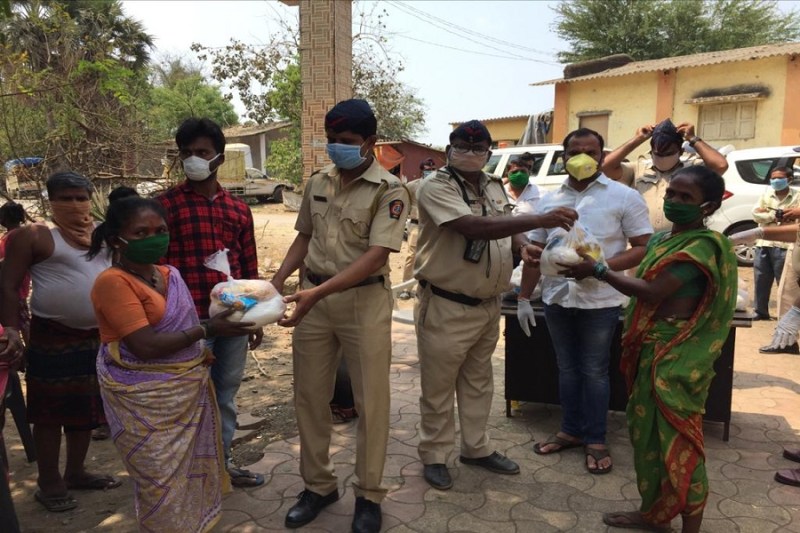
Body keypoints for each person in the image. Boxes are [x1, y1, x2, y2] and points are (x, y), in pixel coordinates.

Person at [414, 120, 578, 491]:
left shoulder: (492, 184)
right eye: (462, 146)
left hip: (488, 303)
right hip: (446, 304)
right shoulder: (436, 185)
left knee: (478, 382)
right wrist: (541, 219)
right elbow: (472, 227)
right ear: (449, 149)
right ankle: (435, 455)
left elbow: (505, 224)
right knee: (438, 388)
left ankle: (476, 448)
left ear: (489, 152)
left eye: (478, 148)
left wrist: (525, 245)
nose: (470, 153)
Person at [270, 99, 410, 533]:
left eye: (346, 141)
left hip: (362, 302)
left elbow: (376, 256)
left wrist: (315, 293)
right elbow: (304, 237)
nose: (336, 147)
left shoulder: (390, 190)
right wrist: (277, 281)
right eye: (331, 139)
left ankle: (369, 494)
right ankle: (318, 486)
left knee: (371, 402)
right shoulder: (318, 182)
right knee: (310, 397)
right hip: (313, 301)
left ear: (369, 142)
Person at [581, 166, 737, 533]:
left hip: (676, 355)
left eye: (686, 197)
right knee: (646, 435)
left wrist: (598, 271)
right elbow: (638, 274)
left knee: (679, 442)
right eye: (671, 194)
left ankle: (690, 527)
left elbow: (652, 293)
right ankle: (654, 513)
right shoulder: (662, 240)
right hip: (649, 347)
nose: (674, 201)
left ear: (709, 206)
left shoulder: (701, 247)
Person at [88, 194, 255, 531]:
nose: (154, 239)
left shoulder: (170, 274)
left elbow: (183, 325)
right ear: (115, 240)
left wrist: (209, 338)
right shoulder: (112, 283)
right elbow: (146, 346)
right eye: (140, 233)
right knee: (159, 480)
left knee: (192, 472)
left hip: (186, 392)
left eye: (160, 231)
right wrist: (209, 330)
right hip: (143, 400)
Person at [517, 128, 652, 475]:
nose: (582, 157)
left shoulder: (624, 196)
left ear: (602, 156)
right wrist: (523, 296)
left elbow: (642, 246)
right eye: (574, 151)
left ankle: (595, 438)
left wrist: (600, 268)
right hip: (557, 297)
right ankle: (570, 430)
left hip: (600, 300)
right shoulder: (548, 200)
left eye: (590, 152)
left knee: (594, 371)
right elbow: (535, 250)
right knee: (566, 368)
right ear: (563, 157)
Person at [0, 172, 121, 513]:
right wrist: (11, 329)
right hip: (52, 335)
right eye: (65, 198)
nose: (74, 204)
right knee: (50, 412)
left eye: (81, 197)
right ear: (50, 200)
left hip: (96, 335)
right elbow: (7, 285)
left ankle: (76, 472)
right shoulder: (35, 236)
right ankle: (49, 481)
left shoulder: (104, 233)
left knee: (85, 408)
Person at [157, 117, 265, 488]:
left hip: (233, 319)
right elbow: (156, 270)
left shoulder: (238, 209)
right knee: (185, 396)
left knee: (225, 394)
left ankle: (222, 463)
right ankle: (186, 473)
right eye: (186, 153)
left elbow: (248, 267)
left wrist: (255, 317)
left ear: (219, 157)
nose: (193, 159)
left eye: (202, 152)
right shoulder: (164, 207)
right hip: (185, 325)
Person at [602, 119, 729, 233]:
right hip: (642, 242)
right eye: (658, 154)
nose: (663, 158)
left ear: (680, 151)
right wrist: (638, 138)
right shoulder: (638, 168)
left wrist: (692, 138)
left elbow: (720, 165)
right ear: (651, 152)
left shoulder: (692, 170)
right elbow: (605, 167)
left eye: (669, 153)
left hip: (681, 240)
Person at [750, 167, 800, 320]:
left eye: (779, 178)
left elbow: (796, 216)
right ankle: (760, 311)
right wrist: (774, 215)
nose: (776, 181)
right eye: (773, 178)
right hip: (764, 243)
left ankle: (785, 314)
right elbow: (756, 215)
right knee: (761, 279)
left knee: (784, 283)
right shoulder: (766, 195)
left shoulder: (797, 196)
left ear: (789, 180)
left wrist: (768, 213)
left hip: (784, 245)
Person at [0, 202, 31, 344]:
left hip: (14, 285)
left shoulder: (15, 236)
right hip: (13, 284)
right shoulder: (16, 234)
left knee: (21, 321)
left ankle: (29, 350)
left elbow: (11, 259)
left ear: (6, 217)